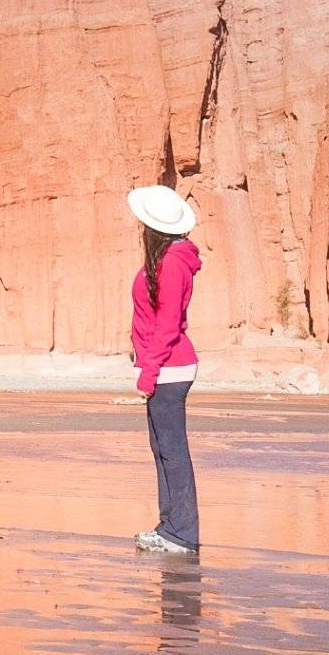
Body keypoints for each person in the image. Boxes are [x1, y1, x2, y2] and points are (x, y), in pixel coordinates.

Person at [127, 184, 202, 555]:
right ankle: (170, 526)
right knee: (162, 449)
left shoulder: (171, 263)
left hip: (170, 369)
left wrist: (148, 372)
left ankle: (182, 534)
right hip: (166, 366)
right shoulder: (169, 259)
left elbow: (168, 323)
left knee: (172, 450)